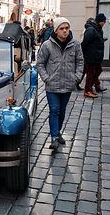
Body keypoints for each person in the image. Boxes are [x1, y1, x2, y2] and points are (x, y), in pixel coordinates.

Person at [36, 17, 84, 151]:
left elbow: (80, 61)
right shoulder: (47, 45)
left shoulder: (75, 44)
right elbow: (40, 63)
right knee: (54, 110)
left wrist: (77, 77)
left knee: (62, 111)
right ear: (56, 30)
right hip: (52, 84)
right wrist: (46, 78)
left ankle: (57, 132)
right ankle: (53, 138)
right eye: (61, 29)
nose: (65, 31)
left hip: (68, 83)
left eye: (67, 28)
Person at [81, 13, 108, 98]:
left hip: (96, 55)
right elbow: (85, 42)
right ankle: (87, 90)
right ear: (100, 21)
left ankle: (90, 88)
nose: (104, 23)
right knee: (90, 73)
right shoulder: (91, 29)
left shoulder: (97, 29)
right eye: (104, 21)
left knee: (98, 70)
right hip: (91, 55)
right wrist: (82, 53)